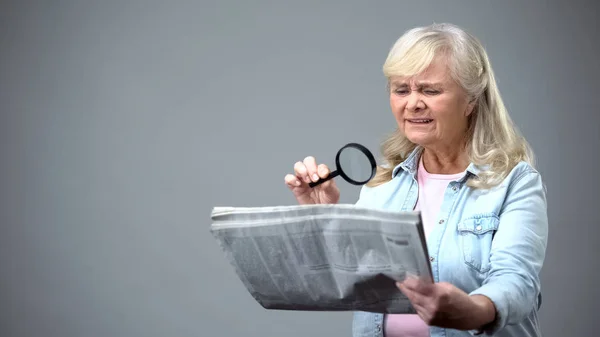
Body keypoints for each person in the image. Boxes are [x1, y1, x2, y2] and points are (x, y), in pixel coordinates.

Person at [284, 23, 548, 337]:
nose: (413, 103)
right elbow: (346, 281)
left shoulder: (515, 182)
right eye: (401, 89)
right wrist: (324, 217)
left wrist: (474, 311)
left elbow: (518, 284)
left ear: (471, 100)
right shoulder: (381, 185)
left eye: (430, 90)